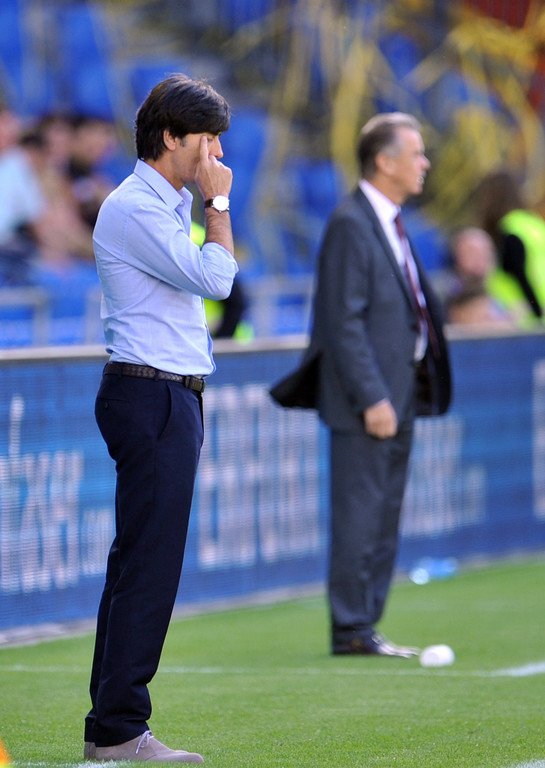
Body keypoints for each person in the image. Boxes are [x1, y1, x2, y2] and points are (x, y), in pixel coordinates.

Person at [84, 74, 237, 763]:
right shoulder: (136, 207)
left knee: (137, 565)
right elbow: (216, 279)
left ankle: (110, 726)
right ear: (171, 137)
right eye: (208, 140)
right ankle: (120, 729)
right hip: (150, 395)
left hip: (165, 394)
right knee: (148, 568)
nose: (216, 154)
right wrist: (219, 204)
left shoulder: (162, 203)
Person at [270, 112, 451, 658]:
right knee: (361, 512)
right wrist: (372, 396)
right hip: (368, 399)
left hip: (401, 391)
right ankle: (350, 627)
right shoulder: (351, 223)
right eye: (415, 154)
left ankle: (365, 623)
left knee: (384, 512)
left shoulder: (388, 222)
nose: (424, 163)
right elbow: (341, 320)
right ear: (385, 161)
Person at [475, 169, 545, 326]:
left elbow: (520, 275)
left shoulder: (509, 229)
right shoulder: (535, 224)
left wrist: (537, 312)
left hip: (524, 320)